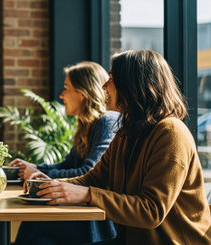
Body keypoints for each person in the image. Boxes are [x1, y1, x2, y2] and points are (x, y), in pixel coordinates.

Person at [33, 50, 211, 244]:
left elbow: (151, 211)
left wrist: (87, 194)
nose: (104, 86)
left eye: (111, 79)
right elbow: (95, 178)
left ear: (132, 86)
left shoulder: (171, 133)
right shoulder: (128, 132)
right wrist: (53, 186)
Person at [12, 61, 119, 244]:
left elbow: (88, 172)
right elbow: (67, 165)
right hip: (79, 210)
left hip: (95, 219)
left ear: (83, 93)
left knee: (34, 225)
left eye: (66, 88)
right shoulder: (87, 125)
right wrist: (35, 168)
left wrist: (41, 174)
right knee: (37, 232)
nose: (61, 95)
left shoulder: (106, 122)